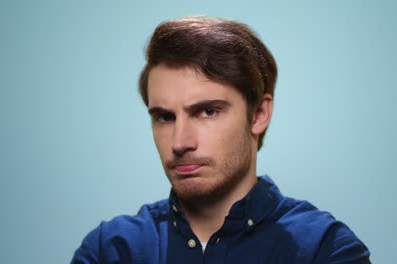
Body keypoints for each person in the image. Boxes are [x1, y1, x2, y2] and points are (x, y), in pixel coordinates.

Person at [71, 16, 371, 264]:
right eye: (165, 117)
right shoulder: (111, 250)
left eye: (207, 111)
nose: (180, 142)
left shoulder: (323, 249)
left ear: (258, 114)